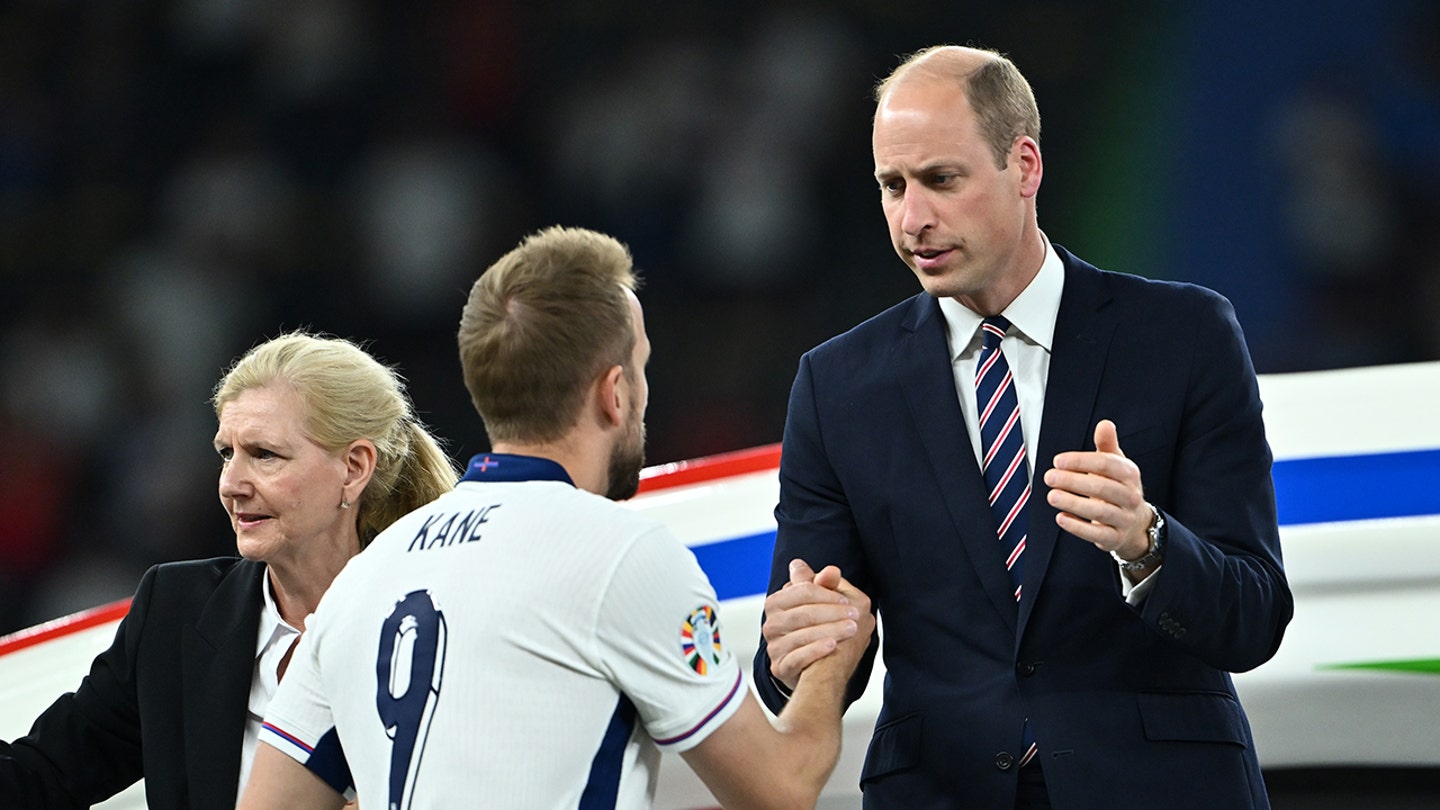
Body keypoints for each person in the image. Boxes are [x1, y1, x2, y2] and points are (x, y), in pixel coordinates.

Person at [752, 45, 1294, 809]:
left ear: (1026, 166)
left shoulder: (1184, 335)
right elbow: (806, 654)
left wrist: (1147, 543)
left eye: (942, 180)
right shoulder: (837, 385)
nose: (914, 219)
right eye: (892, 186)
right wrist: (791, 651)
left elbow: (1257, 614)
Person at [237, 226, 875, 810]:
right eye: (642, 369)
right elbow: (781, 789)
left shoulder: (362, 579)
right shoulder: (622, 555)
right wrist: (834, 657)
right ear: (614, 391)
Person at [0, 331, 459, 809]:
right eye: (227, 453)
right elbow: (42, 774)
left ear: (354, 467)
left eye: (265, 455)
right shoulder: (175, 610)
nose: (232, 484)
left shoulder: (441, 621)